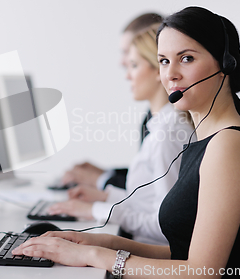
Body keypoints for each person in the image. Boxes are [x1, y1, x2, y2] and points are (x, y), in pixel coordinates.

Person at [13, 6, 240, 278]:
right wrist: (101, 242)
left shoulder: (229, 146)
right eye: (164, 61)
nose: (171, 74)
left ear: (225, 64)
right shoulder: (203, 140)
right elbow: (182, 253)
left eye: (186, 58)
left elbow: (202, 272)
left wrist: (95, 256)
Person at [48, 25, 194, 245]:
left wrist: (98, 210)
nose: (127, 75)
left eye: (134, 65)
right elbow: (149, 202)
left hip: (151, 256)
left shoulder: (168, 134)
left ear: (158, 71)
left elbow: (166, 226)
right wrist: (107, 198)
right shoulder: (160, 127)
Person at [62, 13, 164, 191]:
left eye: (129, 55)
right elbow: (149, 175)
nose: (122, 64)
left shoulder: (169, 124)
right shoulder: (153, 115)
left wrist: (102, 181)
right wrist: (107, 173)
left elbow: (154, 195)